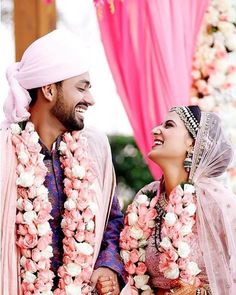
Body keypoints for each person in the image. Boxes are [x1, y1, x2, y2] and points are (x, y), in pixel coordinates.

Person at [1, 29, 126, 295]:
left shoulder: (94, 148)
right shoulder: (4, 153)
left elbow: (113, 221)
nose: (90, 100)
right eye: (81, 88)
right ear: (48, 89)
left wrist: (108, 266)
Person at [120, 105, 236, 295]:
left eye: (169, 125)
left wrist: (198, 292)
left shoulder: (215, 199)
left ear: (192, 142)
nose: (155, 130)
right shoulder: (146, 197)